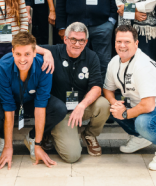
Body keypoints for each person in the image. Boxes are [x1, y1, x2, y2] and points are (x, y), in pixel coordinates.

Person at [103, 25, 156, 171]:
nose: (122, 45)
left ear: (136, 43)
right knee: (108, 106)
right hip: (143, 106)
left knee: (143, 122)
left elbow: (148, 106)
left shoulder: (143, 65)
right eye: (119, 41)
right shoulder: (114, 62)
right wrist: (115, 104)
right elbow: (108, 89)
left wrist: (125, 113)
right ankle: (140, 138)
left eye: (127, 42)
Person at [0, 32, 66, 167]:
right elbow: (8, 108)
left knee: (59, 109)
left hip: (32, 100)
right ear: (12, 52)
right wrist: (9, 147)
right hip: (9, 100)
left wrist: (38, 145)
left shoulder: (44, 66)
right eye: (18, 54)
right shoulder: (2, 67)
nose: (22, 59)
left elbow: (40, 105)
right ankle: (3, 139)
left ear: (34, 52)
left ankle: (32, 138)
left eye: (27, 54)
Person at [32, 22, 110, 162]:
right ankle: (53, 132)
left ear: (86, 42)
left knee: (103, 104)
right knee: (72, 156)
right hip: (60, 112)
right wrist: (46, 52)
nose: (77, 44)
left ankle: (89, 134)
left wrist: (82, 106)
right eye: (73, 39)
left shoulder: (92, 57)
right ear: (65, 39)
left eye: (81, 40)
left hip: (80, 109)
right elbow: (28, 47)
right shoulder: (55, 51)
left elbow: (97, 87)